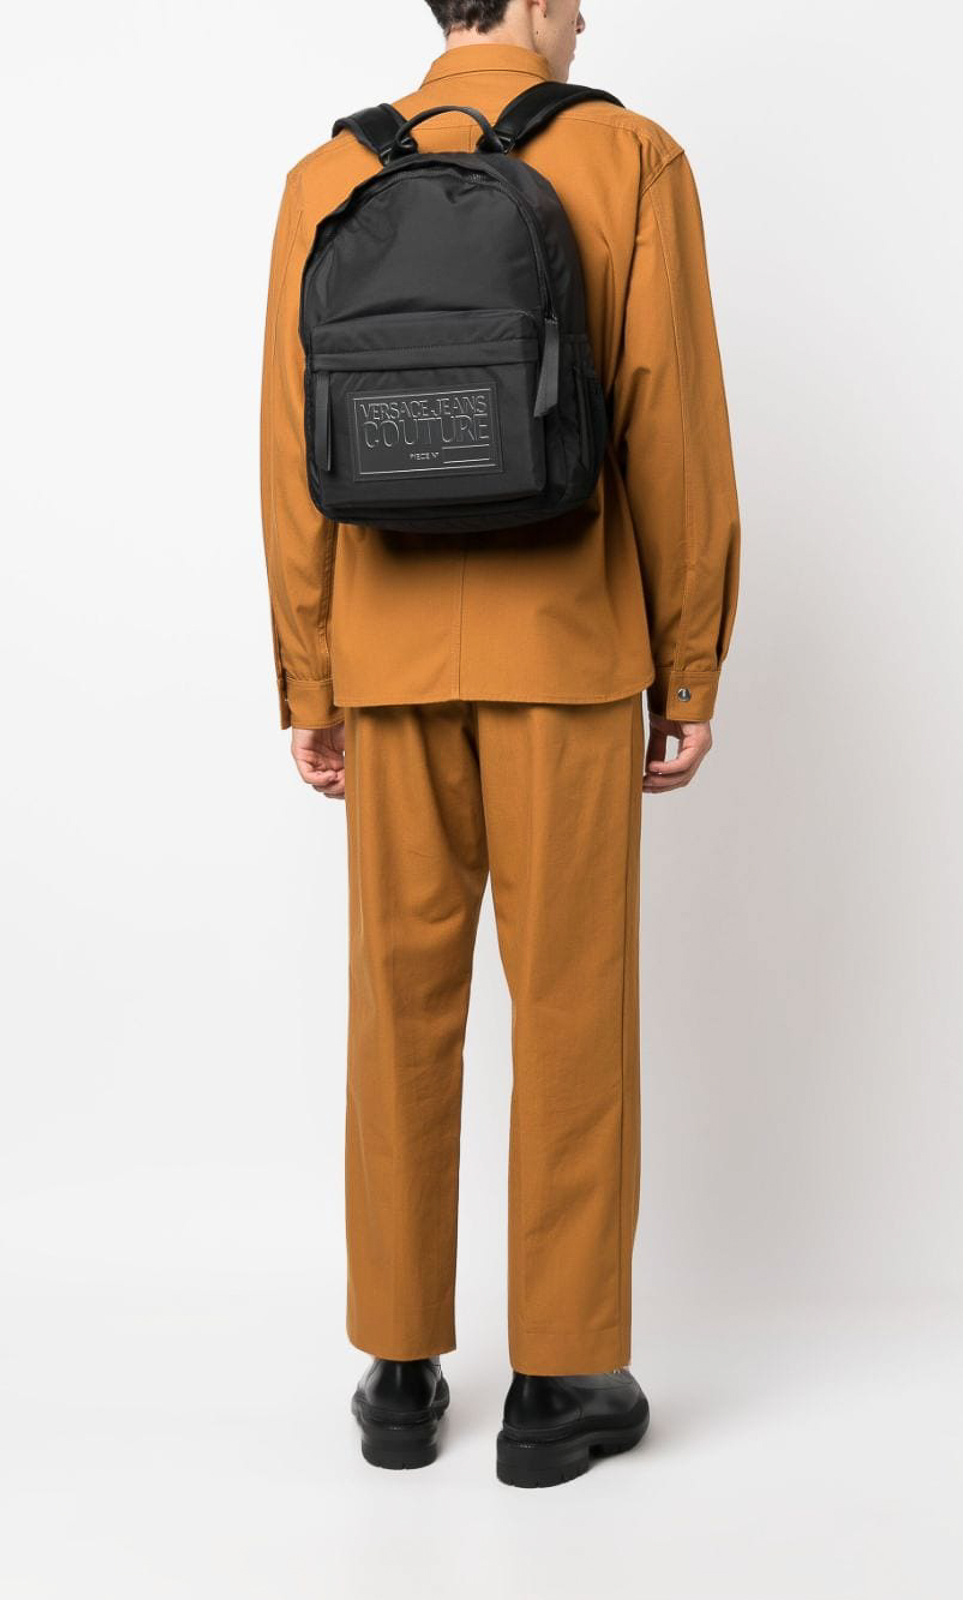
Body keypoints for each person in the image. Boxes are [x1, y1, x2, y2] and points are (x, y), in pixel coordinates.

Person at [258, 0, 740, 1488]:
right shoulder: (631, 158)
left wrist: (311, 681)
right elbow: (670, 425)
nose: (585, 15)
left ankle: (400, 1372)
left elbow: (289, 451)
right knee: (572, 1005)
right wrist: (688, 662)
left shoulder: (329, 178)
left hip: (387, 657)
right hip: (570, 648)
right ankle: (559, 1379)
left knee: (398, 1006)